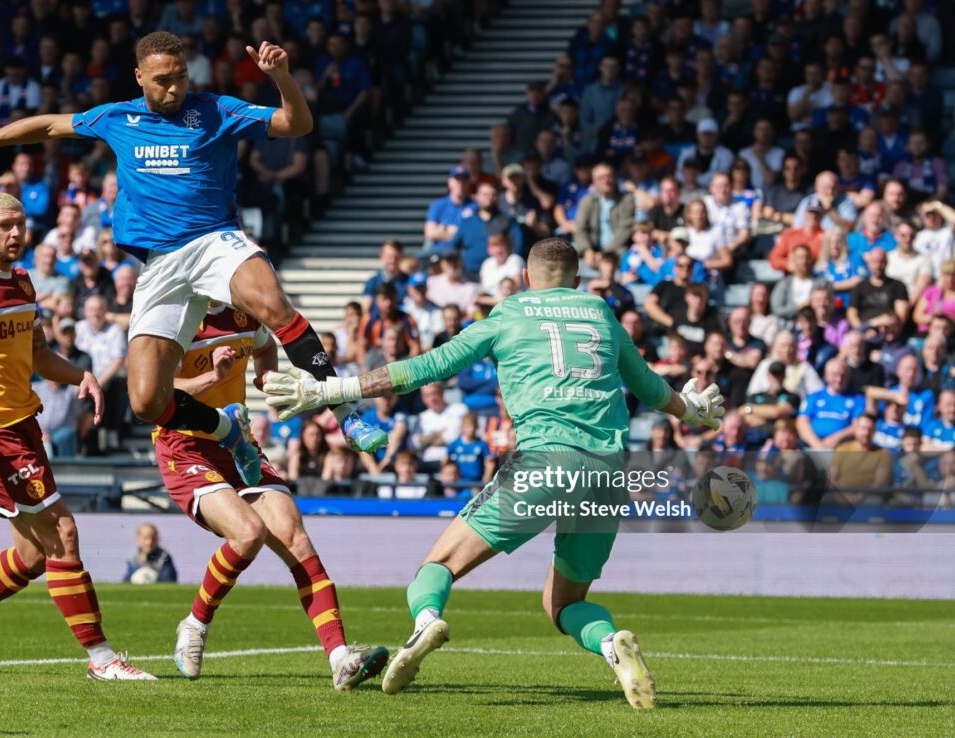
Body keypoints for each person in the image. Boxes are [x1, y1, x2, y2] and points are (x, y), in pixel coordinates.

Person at [263, 239, 726, 706]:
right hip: (608, 474)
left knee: (437, 566)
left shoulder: (508, 314)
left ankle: (425, 625)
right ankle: (611, 646)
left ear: (527, 279)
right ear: (578, 281)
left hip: (545, 462)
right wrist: (692, 410)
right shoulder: (600, 311)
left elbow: (431, 365)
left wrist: (334, 389)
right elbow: (648, 386)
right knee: (563, 604)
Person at [0, 31, 386, 473]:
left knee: (274, 305)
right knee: (146, 400)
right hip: (161, 263)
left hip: (214, 241)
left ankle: (346, 412)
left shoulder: (217, 110)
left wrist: (282, 79)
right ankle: (227, 430)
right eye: (162, 80)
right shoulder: (117, 118)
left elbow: (298, 125)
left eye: (180, 76)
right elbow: (46, 125)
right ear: (139, 77)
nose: (174, 87)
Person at [0, 193, 152, 680]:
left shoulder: (22, 282)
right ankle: (102, 660)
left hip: (25, 425)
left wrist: (79, 374)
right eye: (6, 227)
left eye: (21, 225)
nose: (17, 234)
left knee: (33, 555)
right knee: (63, 533)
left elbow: (39, 356)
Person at [154, 300, 388, 689]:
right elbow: (155, 391)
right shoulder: (177, 316)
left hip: (238, 441)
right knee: (248, 533)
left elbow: (263, 347)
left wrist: (269, 380)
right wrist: (214, 376)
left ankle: (340, 659)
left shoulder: (244, 313)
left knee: (297, 541)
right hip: (185, 445)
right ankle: (195, 623)